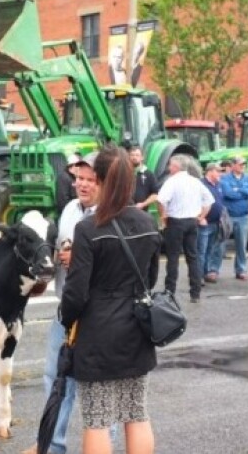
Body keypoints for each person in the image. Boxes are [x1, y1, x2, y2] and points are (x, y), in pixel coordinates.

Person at [60, 146, 161, 454]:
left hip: (97, 333)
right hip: (136, 330)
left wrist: (66, 321)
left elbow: (75, 293)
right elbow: (151, 278)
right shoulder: (147, 223)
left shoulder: (89, 229)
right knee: (136, 413)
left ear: (102, 181)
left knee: (98, 420)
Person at [23, 152, 102, 454]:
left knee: (96, 387)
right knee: (55, 379)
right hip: (65, 310)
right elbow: (58, 251)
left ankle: (100, 446)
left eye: (89, 180)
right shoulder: (69, 209)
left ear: (104, 183)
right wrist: (46, 278)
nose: (81, 185)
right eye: (78, 179)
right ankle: (52, 445)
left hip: (95, 314)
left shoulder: (110, 215)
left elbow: (115, 265)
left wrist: (80, 258)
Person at [156, 155, 214, 303]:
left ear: (176, 167)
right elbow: (209, 200)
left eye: (170, 165)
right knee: (192, 257)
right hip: (192, 221)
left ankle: (170, 291)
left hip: (176, 222)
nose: (169, 168)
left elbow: (161, 200)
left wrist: (163, 216)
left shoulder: (172, 181)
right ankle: (195, 293)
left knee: (173, 258)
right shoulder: (195, 181)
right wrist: (201, 216)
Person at [220, 156, 248, 280]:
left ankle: (241, 270)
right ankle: (213, 269)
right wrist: (243, 193)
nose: (243, 166)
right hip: (228, 217)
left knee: (241, 245)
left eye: (244, 164)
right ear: (233, 165)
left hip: (243, 216)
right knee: (220, 244)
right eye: (241, 164)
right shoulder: (225, 178)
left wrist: (238, 189)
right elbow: (228, 193)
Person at [198, 162, 225, 285]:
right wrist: (200, 217)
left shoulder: (218, 184)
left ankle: (205, 272)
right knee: (201, 251)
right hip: (204, 223)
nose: (220, 173)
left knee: (209, 250)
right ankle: (198, 276)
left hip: (215, 223)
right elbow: (196, 201)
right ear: (210, 171)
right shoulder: (201, 184)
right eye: (218, 171)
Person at [129, 147, 158, 211]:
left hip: (142, 212)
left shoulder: (149, 174)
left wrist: (143, 204)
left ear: (142, 157)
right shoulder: (124, 173)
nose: (134, 157)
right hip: (126, 212)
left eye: (137, 155)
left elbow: (155, 194)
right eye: (132, 155)